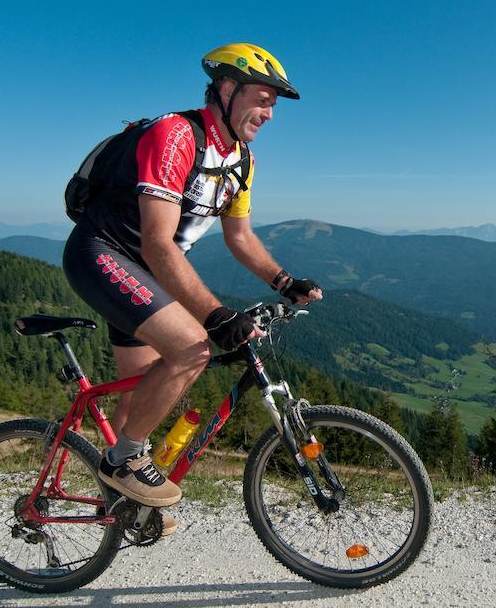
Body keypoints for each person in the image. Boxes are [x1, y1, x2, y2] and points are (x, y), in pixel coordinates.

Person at [62, 43, 323, 526]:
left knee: (141, 393)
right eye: (262, 99)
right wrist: (215, 315)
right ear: (227, 88)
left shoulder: (241, 160)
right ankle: (127, 461)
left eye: (273, 104)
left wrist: (284, 280)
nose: (269, 113)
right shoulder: (176, 136)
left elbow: (239, 236)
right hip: (102, 255)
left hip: (145, 274)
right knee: (192, 349)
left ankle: (121, 506)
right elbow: (161, 246)